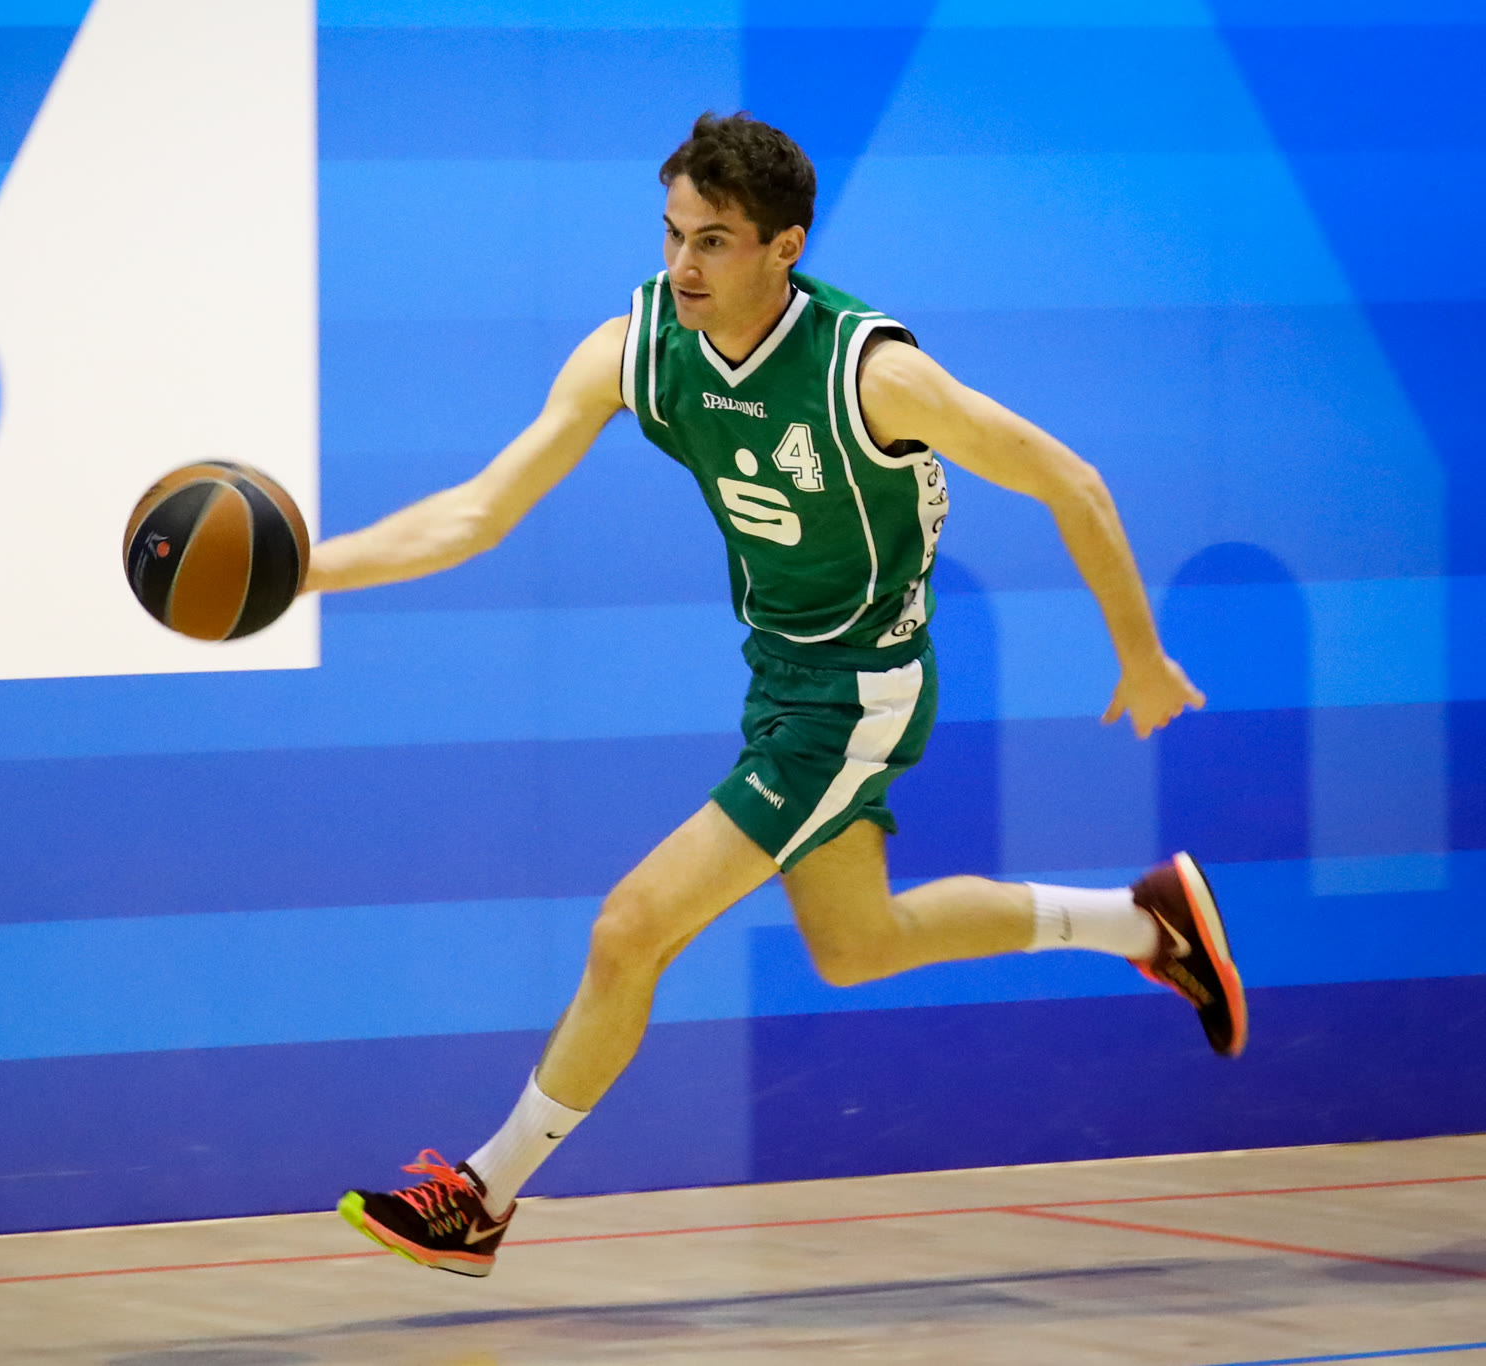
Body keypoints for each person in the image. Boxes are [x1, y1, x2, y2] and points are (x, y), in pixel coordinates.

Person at [307, 112, 1244, 1279]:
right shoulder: (639, 349)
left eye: (712, 241)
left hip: (857, 694)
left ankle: (481, 1195)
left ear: (782, 247)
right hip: (779, 675)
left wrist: (1138, 655)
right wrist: (303, 573)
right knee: (856, 944)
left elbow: (1072, 481)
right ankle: (1143, 921)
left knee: (628, 928)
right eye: (670, 234)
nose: (681, 265)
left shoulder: (870, 374)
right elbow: (474, 512)